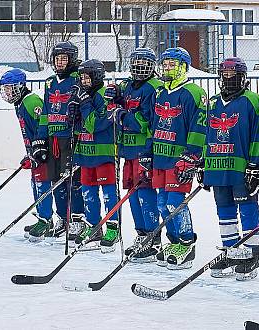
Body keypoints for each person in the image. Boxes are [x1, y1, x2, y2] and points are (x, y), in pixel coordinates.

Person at [202, 57, 259, 281]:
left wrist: (256, 165)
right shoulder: (212, 103)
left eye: (232, 75)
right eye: (224, 75)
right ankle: (231, 251)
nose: (227, 79)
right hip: (218, 166)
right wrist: (203, 163)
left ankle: (250, 254)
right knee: (225, 211)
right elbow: (205, 135)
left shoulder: (253, 101)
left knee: (248, 209)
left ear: (242, 77)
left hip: (242, 168)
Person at [140, 47, 207, 269]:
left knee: (174, 203)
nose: (167, 68)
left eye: (172, 64)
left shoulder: (193, 93)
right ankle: (174, 241)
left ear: (184, 67)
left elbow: (200, 128)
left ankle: (187, 243)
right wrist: (148, 152)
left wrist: (192, 156)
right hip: (160, 156)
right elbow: (153, 125)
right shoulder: (160, 92)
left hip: (179, 159)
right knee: (161, 203)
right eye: (165, 64)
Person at [105, 48, 161, 256]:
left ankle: (153, 238)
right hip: (127, 150)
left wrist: (121, 115)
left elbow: (145, 122)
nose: (139, 67)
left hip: (143, 149)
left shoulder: (154, 88)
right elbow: (116, 105)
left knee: (145, 192)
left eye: (144, 63)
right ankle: (141, 233)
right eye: (136, 62)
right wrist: (114, 98)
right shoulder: (127, 85)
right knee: (132, 193)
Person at [30, 41, 84, 240]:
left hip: (70, 138)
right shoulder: (50, 82)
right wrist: (40, 138)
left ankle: (77, 219)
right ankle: (63, 217)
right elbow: (45, 113)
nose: (60, 63)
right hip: (53, 139)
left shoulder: (79, 79)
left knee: (73, 181)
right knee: (57, 181)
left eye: (64, 59)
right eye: (57, 59)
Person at [67, 59, 121, 252]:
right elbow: (75, 125)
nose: (83, 81)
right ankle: (94, 227)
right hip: (85, 153)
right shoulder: (83, 95)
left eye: (87, 77)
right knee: (88, 193)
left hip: (104, 153)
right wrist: (71, 112)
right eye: (81, 77)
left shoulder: (103, 96)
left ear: (97, 76)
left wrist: (84, 104)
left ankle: (113, 228)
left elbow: (95, 125)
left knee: (108, 194)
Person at [0, 69, 54, 243]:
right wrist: (29, 152)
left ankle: (46, 220)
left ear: (21, 86)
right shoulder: (20, 103)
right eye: (5, 89)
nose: (7, 92)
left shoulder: (31, 101)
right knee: (35, 184)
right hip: (35, 152)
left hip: (44, 152)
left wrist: (40, 147)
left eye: (10, 88)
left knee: (42, 183)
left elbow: (43, 126)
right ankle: (42, 217)